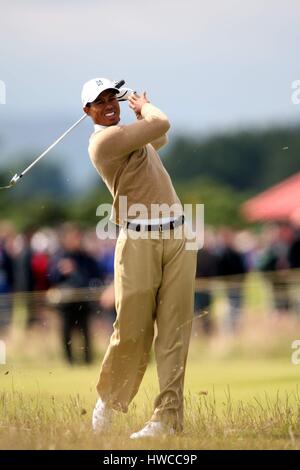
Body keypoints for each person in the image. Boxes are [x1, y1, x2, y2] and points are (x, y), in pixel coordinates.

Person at [82, 78, 197, 439]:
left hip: (178, 233)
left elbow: (158, 138)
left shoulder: (128, 133)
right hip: (138, 239)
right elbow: (161, 125)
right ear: (88, 112)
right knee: (133, 328)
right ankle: (110, 400)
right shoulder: (103, 142)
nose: (108, 104)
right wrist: (144, 105)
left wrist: (140, 115)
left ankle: (166, 419)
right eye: (99, 102)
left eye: (111, 97)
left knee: (175, 331)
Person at [48, 223, 102, 364]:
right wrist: (60, 271)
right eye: (72, 237)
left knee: (85, 332)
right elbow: (52, 277)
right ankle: (69, 361)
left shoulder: (86, 258)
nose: (76, 240)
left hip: (83, 302)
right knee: (66, 333)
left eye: (78, 237)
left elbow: (95, 277)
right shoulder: (58, 257)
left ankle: (87, 360)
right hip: (66, 303)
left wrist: (75, 271)